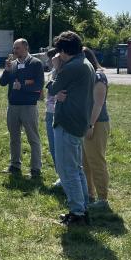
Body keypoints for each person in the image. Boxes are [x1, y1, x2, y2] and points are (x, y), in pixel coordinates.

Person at [49, 31, 95, 227]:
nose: (57, 56)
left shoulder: (71, 67)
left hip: (68, 122)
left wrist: (57, 68)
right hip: (78, 121)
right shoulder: (85, 63)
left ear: (64, 51)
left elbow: (51, 88)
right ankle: (82, 206)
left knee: (67, 170)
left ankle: (77, 212)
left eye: (59, 52)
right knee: (76, 168)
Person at [0, 38, 45, 177]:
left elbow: (38, 85)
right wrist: (6, 71)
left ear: (25, 47)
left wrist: (22, 86)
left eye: (17, 48)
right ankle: (15, 165)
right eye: (14, 48)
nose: (14, 50)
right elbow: (2, 82)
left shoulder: (36, 63)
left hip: (28, 107)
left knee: (33, 138)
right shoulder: (12, 64)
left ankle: (36, 169)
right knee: (14, 138)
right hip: (13, 106)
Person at [82, 47, 112, 209]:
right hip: (86, 123)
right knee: (84, 161)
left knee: (96, 161)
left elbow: (98, 103)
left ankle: (103, 199)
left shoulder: (99, 77)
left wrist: (90, 125)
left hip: (96, 123)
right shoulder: (87, 75)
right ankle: (89, 194)